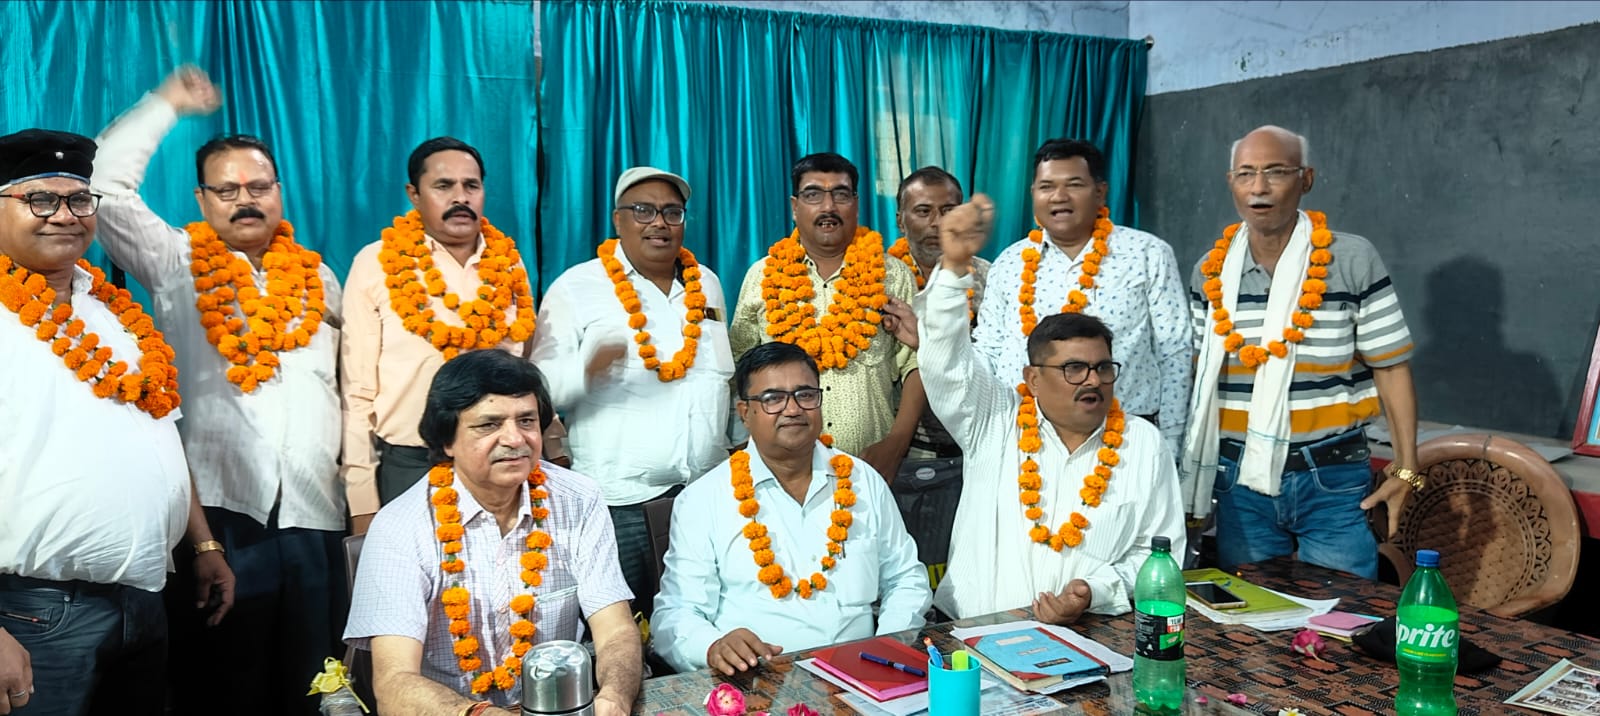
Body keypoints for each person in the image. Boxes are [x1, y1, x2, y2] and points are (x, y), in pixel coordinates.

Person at [91, 66, 346, 715]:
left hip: (316, 513)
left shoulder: (320, 278)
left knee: (318, 684)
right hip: (220, 516)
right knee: (225, 686)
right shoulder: (175, 262)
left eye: (258, 186)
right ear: (202, 199)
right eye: (227, 189)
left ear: (279, 192)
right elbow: (104, 188)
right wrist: (167, 104)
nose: (245, 199)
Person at [0, 129, 234, 716]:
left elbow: (160, 431)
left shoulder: (114, 312)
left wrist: (203, 542)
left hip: (145, 598)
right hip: (31, 613)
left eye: (80, 199)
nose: (65, 215)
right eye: (39, 200)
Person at [917, 194, 1185, 621]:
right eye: (1074, 369)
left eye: (1102, 367)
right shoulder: (994, 423)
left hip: (1088, 633)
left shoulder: (1142, 445)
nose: (1093, 380)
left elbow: (1155, 556)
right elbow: (945, 361)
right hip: (975, 632)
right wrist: (951, 269)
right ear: (1033, 379)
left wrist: (1092, 592)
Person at [344, 349, 640, 716]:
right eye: (489, 425)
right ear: (447, 440)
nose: (515, 439)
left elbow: (615, 630)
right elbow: (394, 684)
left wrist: (613, 698)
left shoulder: (580, 499)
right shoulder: (399, 527)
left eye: (527, 421)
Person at [1180, 125, 1419, 579]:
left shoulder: (1351, 259)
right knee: (1252, 609)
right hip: (1239, 480)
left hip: (1332, 474)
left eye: (1275, 172)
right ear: (1231, 183)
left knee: (1342, 607)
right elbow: (1195, 374)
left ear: (1306, 179)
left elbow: (1391, 366)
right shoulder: (1209, 272)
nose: (1259, 187)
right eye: (1245, 174)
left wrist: (1407, 466)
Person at [653, 342, 932, 674]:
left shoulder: (863, 481)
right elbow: (676, 613)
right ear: (744, 413)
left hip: (860, 675)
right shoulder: (703, 499)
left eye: (806, 395)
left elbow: (905, 579)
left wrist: (886, 647)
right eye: (773, 399)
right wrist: (713, 646)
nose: (793, 409)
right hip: (755, 681)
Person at [531, 166, 737, 615]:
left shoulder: (707, 283)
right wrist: (586, 371)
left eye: (672, 212)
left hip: (706, 493)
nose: (659, 223)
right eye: (643, 210)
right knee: (626, 626)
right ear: (617, 219)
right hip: (620, 503)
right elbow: (536, 391)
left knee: (706, 616)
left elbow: (723, 380)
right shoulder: (576, 288)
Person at [341, 137, 545, 532]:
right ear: (414, 195)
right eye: (443, 186)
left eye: (471, 185)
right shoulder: (376, 263)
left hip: (503, 458)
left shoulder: (509, 264)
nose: (460, 198)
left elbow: (525, 368)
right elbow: (357, 393)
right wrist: (362, 503)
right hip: (412, 464)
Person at [972, 139, 1191, 458]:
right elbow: (989, 349)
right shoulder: (1010, 262)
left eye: (1074, 185)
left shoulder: (1147, 254)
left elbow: (1175, 353)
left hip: (1124, 440)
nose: (1058, 196)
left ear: (1100, 192)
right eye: (1046, 186)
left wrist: (1170, 445)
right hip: (1025, 440)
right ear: (1033, 193)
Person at [729, 152, 923, 479]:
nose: (828, 206)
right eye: (813, 194)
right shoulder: (762, 277)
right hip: (780, 473)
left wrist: (897, 443)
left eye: (841, 194)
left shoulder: (893, 276)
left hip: (873, 470)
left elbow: (915, 364)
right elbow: (738, 369)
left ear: (856, 204)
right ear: (794, 207)